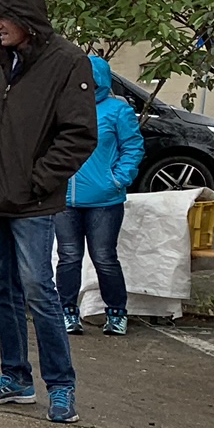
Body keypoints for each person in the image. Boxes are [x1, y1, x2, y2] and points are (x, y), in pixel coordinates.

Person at [0, 0, 98, 423]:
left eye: (2, 18)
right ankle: (15, 377)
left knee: (39, 290)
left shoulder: (68, 62)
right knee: (0, 289)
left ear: (27, 20)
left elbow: (79, 136)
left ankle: (61, 385)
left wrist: (36, 181)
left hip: (31, 203)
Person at [58, 54, 143, 336]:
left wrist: (118, 180)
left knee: (104, 257)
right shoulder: (62, 108)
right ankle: (67, 312)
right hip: (64, 200)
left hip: (105, 200)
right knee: (68, 257)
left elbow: (133, 148)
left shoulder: (118, 111)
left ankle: (117, 312)